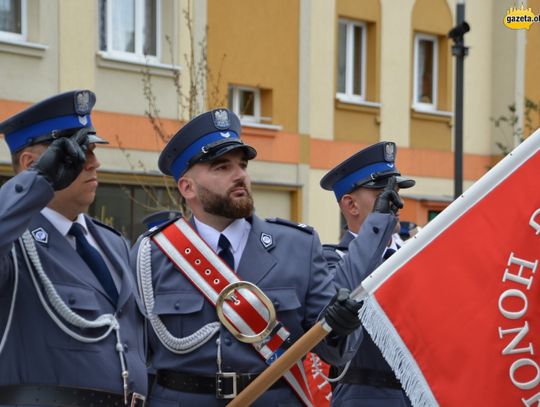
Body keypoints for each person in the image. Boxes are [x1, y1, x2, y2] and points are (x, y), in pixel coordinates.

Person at [131, 108, 400, 406]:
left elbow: (336, 352)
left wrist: (342, 326)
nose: (240, 176)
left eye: (242, 165)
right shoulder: (152, 255)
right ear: (187, 187)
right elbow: (133, 359)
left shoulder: (298, 246)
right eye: (222, 167)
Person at [0, 90, 147, 406]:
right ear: (30, 164)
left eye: (93, 150)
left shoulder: (112, 243)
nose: (95, 163)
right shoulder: (13, 242)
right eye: (78, 154)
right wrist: (37, 183)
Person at [320, 141, 415, 406]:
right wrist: (378, 224)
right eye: (382, 193)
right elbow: (342, 291)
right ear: (350, 205)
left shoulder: (413, 255)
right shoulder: (329, 259)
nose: (397, 202)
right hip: (365, 396)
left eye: (395, 191)